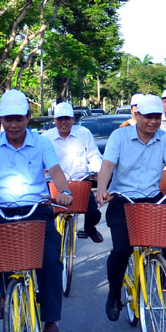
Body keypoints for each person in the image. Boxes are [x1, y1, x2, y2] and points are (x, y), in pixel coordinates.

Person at [0, 90, 72, 332]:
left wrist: (64, 191)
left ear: (28, 118)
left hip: (36, 207)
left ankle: (50, 320)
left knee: (50, 258)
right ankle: (3, 291)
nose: (13, 124)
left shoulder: (41, 143)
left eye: (18, 118)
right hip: (3, 209)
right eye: (8, 119)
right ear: (0, 120)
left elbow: (55, 170)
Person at [95, 94, 166, 321]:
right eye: (149, 117)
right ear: (137, 115)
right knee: (122, 249)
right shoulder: (119, 136)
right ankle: (114, 295)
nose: (153, 122)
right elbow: (107, 165)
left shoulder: (163, 138)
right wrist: (101, 188)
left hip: (152, 197)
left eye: (157, 117)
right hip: (122, 198)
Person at [42, 102, 104, 243]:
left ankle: (90, 229)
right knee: (45, 215)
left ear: (73, 119)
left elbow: (94, 155)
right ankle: (49, 241)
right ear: (55, 120)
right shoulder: (45, 138)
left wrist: (95, 169)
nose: (63, 122)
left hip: (79, 182)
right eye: (60, 119)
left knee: (94, 213)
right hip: (53, 185)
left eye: (67, 118)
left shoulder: (84, 133)